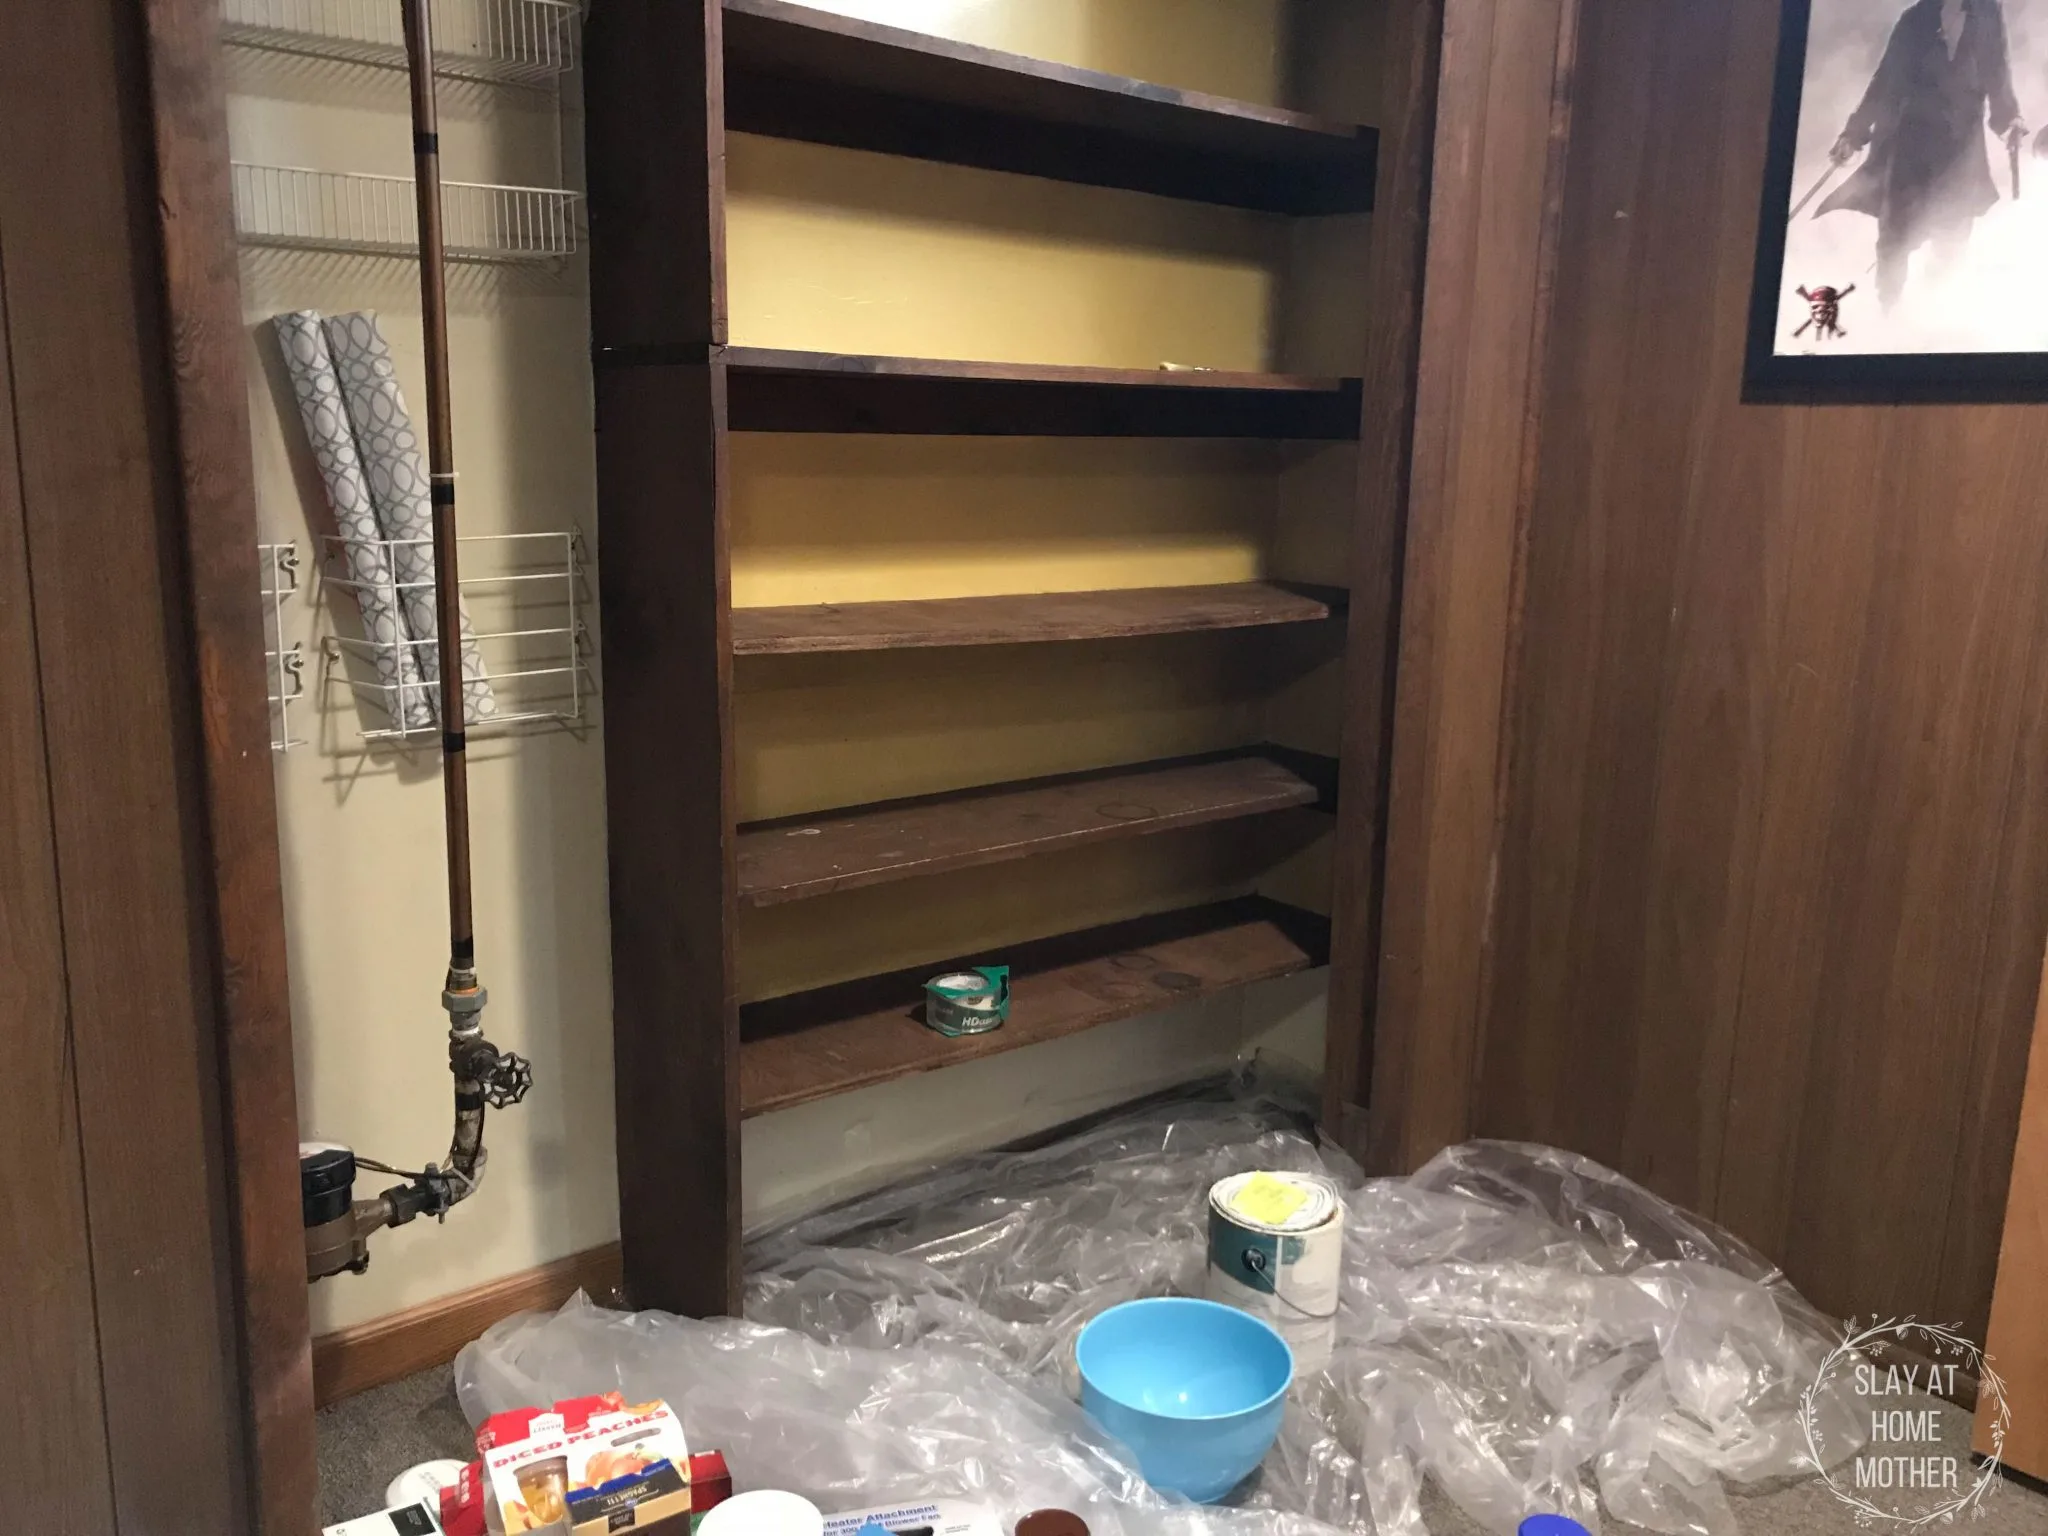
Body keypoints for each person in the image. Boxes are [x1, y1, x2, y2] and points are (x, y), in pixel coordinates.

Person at [1819, 0, 2027, 308]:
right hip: (1909, 144)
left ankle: (1934, 320)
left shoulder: (1988, 12)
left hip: (1960, 146)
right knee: (1895, 237)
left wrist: (2010, 118)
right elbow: (1885, 80)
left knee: (1953, 237)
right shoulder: (1914, 19)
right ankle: (1888, 315)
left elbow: (1998, 71)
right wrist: (1854, 134)